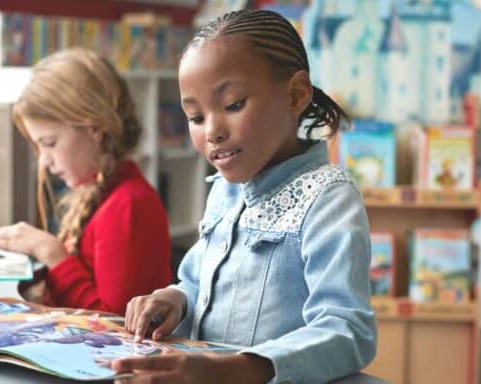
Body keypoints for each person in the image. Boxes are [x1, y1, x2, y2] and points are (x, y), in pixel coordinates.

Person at [113, 10, 376, 384]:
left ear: (296, 94)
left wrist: (240, 369)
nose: (213, 132)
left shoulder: (328, 198)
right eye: (196, 116)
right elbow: (197, 282)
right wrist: (175, 298)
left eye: (233, 105)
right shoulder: (223, 187)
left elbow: (348, 330)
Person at [0, 48, 172, 316]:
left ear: (94, 128)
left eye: (49, 143)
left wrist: (50, 252)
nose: (44, 162)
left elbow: (113, 322)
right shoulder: (99, 192)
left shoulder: (127, 204)